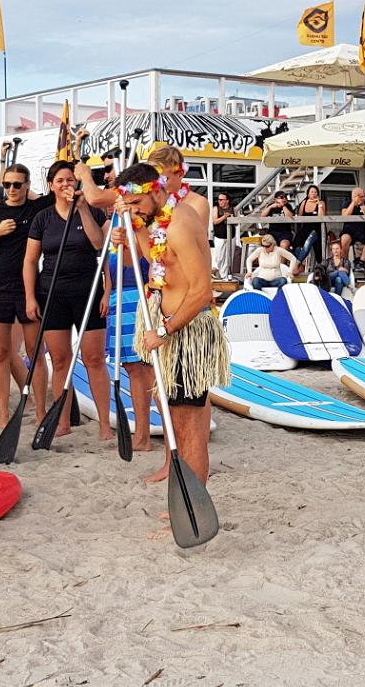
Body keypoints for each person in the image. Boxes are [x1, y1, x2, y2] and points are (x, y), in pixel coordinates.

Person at [116, 163, 229, 487]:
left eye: (136, 204)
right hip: (173, 330)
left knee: (190, 428)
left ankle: (194, 503)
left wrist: (164, 332)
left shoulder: (179, 224)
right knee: (179, 422)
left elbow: (201, 291)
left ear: (154, 190)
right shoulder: (161, 222)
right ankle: (187, 499)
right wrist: (134, 230)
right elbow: (157, 263)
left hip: (186, 332)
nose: (134, 210)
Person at [25, 161, 108, 438]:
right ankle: (61, 421)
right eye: (60, 180)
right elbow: (30, 261)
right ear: (51, 185)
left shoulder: (92, 210)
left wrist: (83, 208)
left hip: (88, 291)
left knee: (94, 358)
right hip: (52, 294)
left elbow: (99, 246)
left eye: (70, 180)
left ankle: (105, 425)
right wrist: (30, 297)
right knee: (60, 360)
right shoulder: (43, 218)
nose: (66, 184)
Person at [0, 164, 53, 423]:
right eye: (7, 184)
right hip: (0, 286)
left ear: (27, 185)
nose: (11, 189)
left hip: (29, 287)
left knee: (34, 352)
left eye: (17, 184)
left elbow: (59, 186)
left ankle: (41, 411)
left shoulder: (36, 209)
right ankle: (3, 413)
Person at [103, 232, 155, 452]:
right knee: (132, 368)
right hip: (117, 296)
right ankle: (142, 434)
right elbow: (106, 261)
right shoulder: (111, 222)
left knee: (150, 368)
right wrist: (106, 292)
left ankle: (148, 435)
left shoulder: (148, 221)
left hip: (141, 294)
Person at [293, 185, 327, 268]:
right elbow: (300, 216)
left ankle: (297, 264)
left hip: (317, 228)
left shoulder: (321, 202)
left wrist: (318, 205)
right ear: (308, 194)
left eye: (315, 192)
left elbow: (321, 217)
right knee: (296, 244)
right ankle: (301, 263)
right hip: (305, 228)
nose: (314, 194)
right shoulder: (304, 202)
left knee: (307, 243)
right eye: (312, 192)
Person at [337, 187, 365, 269]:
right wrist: (353, 203)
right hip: (349, 230)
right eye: (360, 196)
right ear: (353, 196)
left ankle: (361, 261)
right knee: (344, 239)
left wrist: (362, 205)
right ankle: (345, 263)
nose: (362, 198)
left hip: (362, 230)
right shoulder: (347, 203)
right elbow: (345, 216)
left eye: (363, 196)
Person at [209, 192, 237, 279]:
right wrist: (224, 217)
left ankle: (225, 276)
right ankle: (221, 274)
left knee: (229, 257)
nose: (219, 201)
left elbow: (237, 223)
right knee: (220, 257)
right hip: (219, 236)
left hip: (231, 236)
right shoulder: (216, 208)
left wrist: (232, 218)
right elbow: (215, 221)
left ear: (227, 201)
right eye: (219, 199)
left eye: (221, 199)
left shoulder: (233, 209)